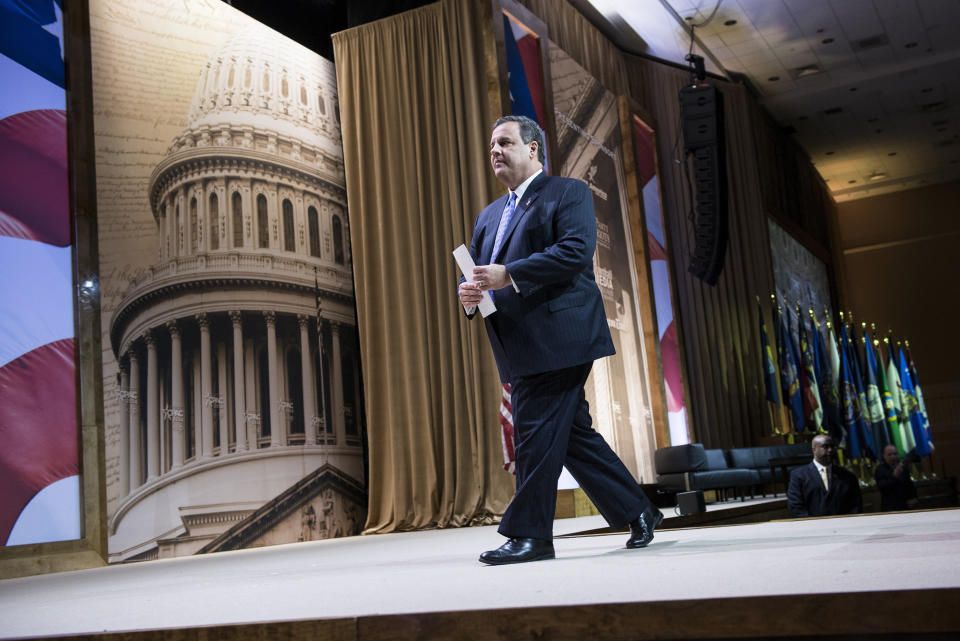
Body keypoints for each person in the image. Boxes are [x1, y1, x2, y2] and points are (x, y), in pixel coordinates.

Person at [457, 114, 661, 565]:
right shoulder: (488, 215)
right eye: (491, 144)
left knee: (534, 436)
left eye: (504, 142)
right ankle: (639, 509)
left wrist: (508, 273)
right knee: (571, 437)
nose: (494, 151)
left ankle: (531, 536)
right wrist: (471, 295)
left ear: (532, 149)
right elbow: (480, 276)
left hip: (561, 338)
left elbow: (573, 251)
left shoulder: (568, 193)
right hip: (517, 343)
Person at [787, 434, 862, 518]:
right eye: (825, 446)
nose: (830, 450)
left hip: (843, 526)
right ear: (814, 450)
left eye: (832, 446)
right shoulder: (799, 476)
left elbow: (856, 505)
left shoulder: (848, 476)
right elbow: (795, 506)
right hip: (813, 527)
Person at [874, 444, 919, 511]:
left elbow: (910, 486)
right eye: (889, 454)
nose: (893, 456)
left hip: (905, 506)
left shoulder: (903, 468)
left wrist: (915, 498)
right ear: (884, 456)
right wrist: (894, 476)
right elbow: (882, 487)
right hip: (890, 508)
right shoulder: (880, 469)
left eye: (895, 454)